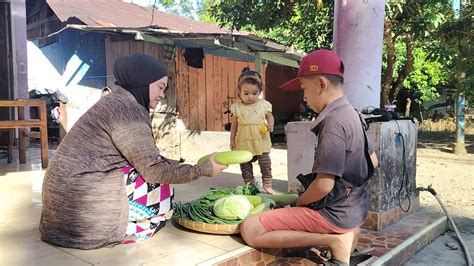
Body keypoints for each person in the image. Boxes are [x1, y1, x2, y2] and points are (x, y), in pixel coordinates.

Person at [39, 54, 227, 249]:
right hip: (85, 216)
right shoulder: (127, 111)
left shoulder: (114, 101)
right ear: (142, 82)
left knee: (156, 165)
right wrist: (202, 169)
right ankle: (129, 228)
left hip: (59, 215)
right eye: (160, 87)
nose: (162, 95)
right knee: (159, 181)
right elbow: (154, 170)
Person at [239, 49, 379, 264]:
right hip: (354, 210)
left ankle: (333, 240)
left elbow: (324, 186)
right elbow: (374, 161)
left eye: (304, 88)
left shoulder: (333, 122)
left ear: (321, 84)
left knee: (250, 228)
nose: (304, 97)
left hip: (334, 214)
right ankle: (349, 234)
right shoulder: (352, 113)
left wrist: (299, 204)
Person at [229, 67, 276, 195]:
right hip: (243, 139)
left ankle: (267, 185)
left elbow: (270, 116)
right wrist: (232, 139)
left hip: (261, 138)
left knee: (265, 162)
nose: (250, 97)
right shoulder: (237, 107)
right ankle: (249, 184)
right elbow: (234, 125)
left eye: (254, 93)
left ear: (260, 91)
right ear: (239, 92)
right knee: (245, 164)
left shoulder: (264, 104)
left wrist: (271, 125)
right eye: (246, 93)